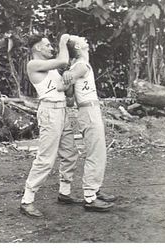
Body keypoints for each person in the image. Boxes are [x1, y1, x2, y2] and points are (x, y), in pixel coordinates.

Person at [20, 34, 82, 218]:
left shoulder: (53, 69)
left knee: (70, 153)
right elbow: (62, 59)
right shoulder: (33, 65)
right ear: (38, 48)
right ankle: (27, 200)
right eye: (47, 45)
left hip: (62, 111)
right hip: (49, 112)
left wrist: (69, 81)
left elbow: (68, 96)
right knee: (46, 158)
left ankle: (64, 192)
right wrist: (63, 40)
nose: (51, 48)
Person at [57, 35, 117, 212]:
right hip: (88, 111)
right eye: (81, 39)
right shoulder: (81, 66)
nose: (85, 40)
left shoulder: (79, 66)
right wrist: (67, 78)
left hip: (88, 110)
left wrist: (69, 78)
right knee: (96, 152)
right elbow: (62, 87)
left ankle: (95, 190)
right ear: (77, 46)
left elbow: (69, 98)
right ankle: (90, 197)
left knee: (98, 151)